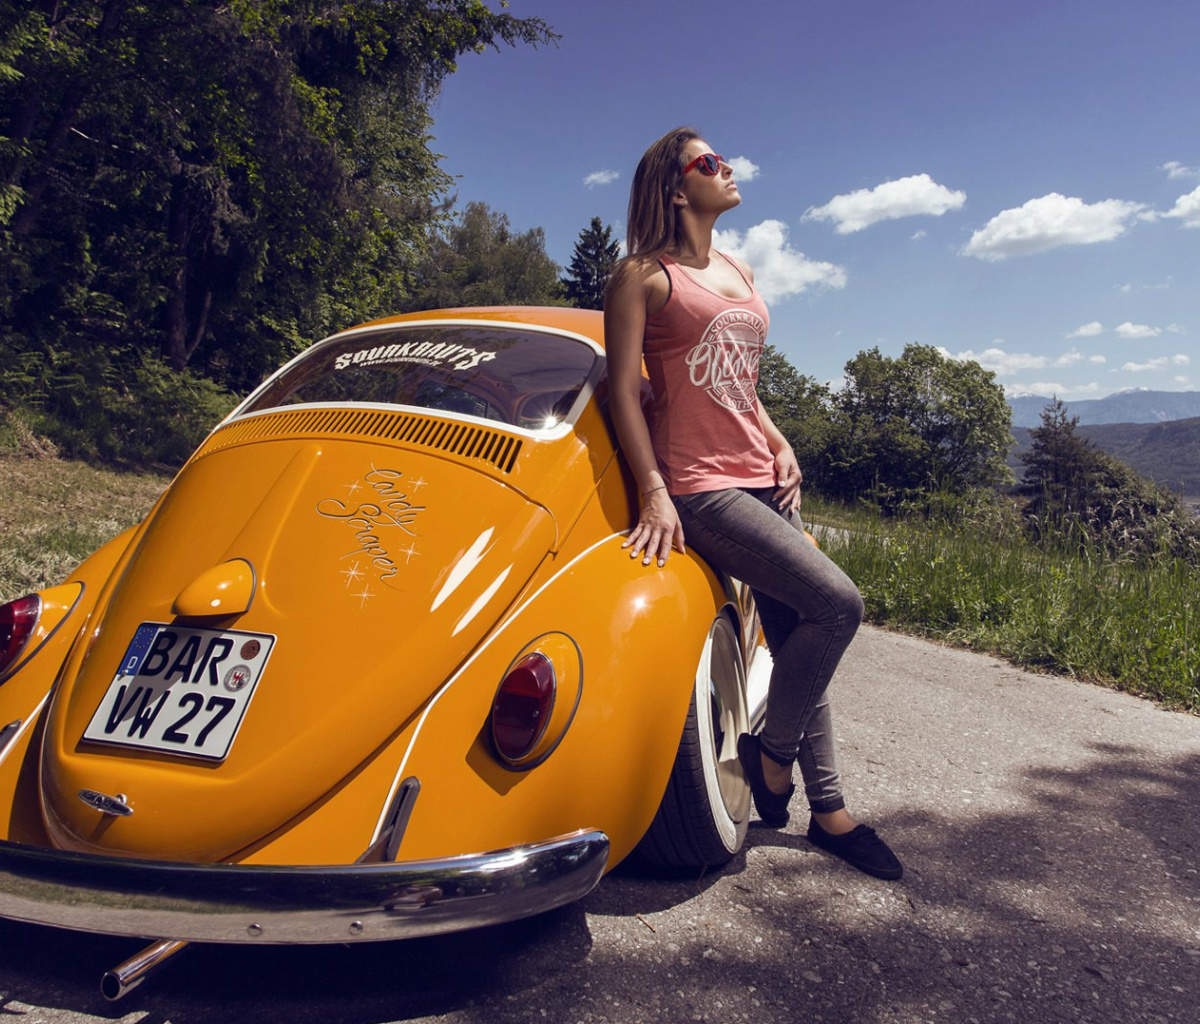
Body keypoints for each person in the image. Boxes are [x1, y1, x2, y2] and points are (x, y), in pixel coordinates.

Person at [603, 126, 902, 880]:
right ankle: (773, 761)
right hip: (704, 490)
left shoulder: (737, 267)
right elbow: (622, 394)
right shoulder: (642, 276)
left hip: (764, 476)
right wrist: (654, 494)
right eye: (709, 162)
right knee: (839, 605)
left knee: (803, 637)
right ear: (676, 188)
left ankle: (829, 813)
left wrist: (779, 438)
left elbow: (738, 382)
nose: (727, 167)